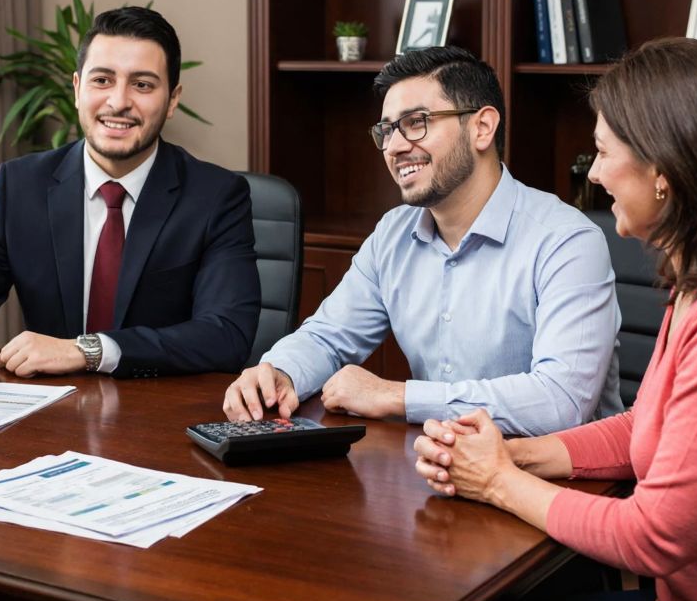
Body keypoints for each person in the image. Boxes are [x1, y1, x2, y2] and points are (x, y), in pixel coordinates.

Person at [413, 37, 697, 601]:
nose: (595, 174)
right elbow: (648, 425)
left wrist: (497, 481)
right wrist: (512, 454)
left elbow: (656, 536)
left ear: (663, 170)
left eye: (604, 152)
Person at [224, 46, 622, 436]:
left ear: (482, 127)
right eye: (387, 129)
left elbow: (560, 400)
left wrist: (397, 396)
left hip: (558, 483)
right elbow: (328, 337)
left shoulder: (566, 240)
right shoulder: (393, 234)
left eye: (417, 122)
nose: (394, 146)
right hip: (445, 469)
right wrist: (278, 372)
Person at [0, 6, 258, 388]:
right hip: (49, 417)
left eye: (142, 85)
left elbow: (226, 334)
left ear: (172, 100)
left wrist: (89, 350)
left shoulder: (216, 197)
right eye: (102, 80)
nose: (118, 101)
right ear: (76, 88)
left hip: (158, 417)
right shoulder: (20, 186)